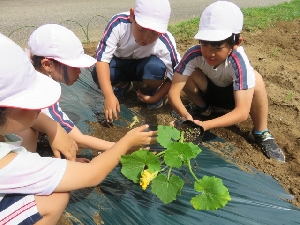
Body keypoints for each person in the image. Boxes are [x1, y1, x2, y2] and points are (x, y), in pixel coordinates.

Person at [0, 33, 156, 225]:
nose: (79, 73)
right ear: (47, 64)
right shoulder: (5, 162)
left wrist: (51, 127)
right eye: (30, 105)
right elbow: (92, 174)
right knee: (56, 197)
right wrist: (125, 145)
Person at [168, 1, 285, 162]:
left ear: (236, 43)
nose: (209, 53)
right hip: (209, 92)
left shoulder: (238, 61)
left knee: (256, 79)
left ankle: (260, 132)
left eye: (217, 47)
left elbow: (242, 112)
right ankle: (203, 109)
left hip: (234, 99)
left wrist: (204, 126)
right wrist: (185, 116)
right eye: (204, 43)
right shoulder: (193, 54)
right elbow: (174, 91)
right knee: (187, 72)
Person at [19, 24, 116, 158]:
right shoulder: (40, 88)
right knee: (28, 136)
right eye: (74, 67)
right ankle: (22, 163)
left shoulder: (27, 67)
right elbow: (79, 139)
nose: (79, 72)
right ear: (47, 64)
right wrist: (123, 147)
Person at [92, 0, 181, 122]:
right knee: (98, 72)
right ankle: (124, 85)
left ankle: (151, 89)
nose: (146, 38)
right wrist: (108, 95)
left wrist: (156, 97)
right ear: (132, 15)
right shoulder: (118, 24)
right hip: (119, 63)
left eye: (154, 33)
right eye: (142, 29)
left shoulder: (165, 40)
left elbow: (176, 74)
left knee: (156, 68)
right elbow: (102, 60)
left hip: (145, 65)